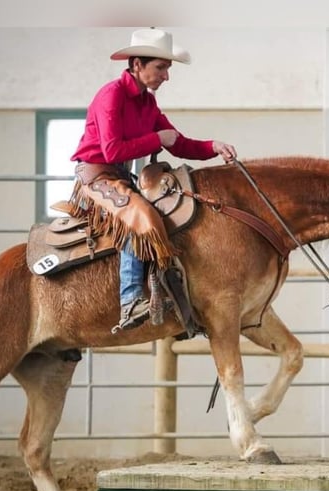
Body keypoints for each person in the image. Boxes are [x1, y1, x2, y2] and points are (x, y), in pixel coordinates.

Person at [70, 28, 237, 331]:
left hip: (120, 176)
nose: (166, 76)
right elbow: (111, 150)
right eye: (161, 68)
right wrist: (155, 138)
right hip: (95, 175)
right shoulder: (111, 95)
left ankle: (180, 303)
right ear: (137, 65)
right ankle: (130, 300)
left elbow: (178, 142)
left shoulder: (148, 103)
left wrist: (213, 147)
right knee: (141, 216)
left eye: (167, 69)